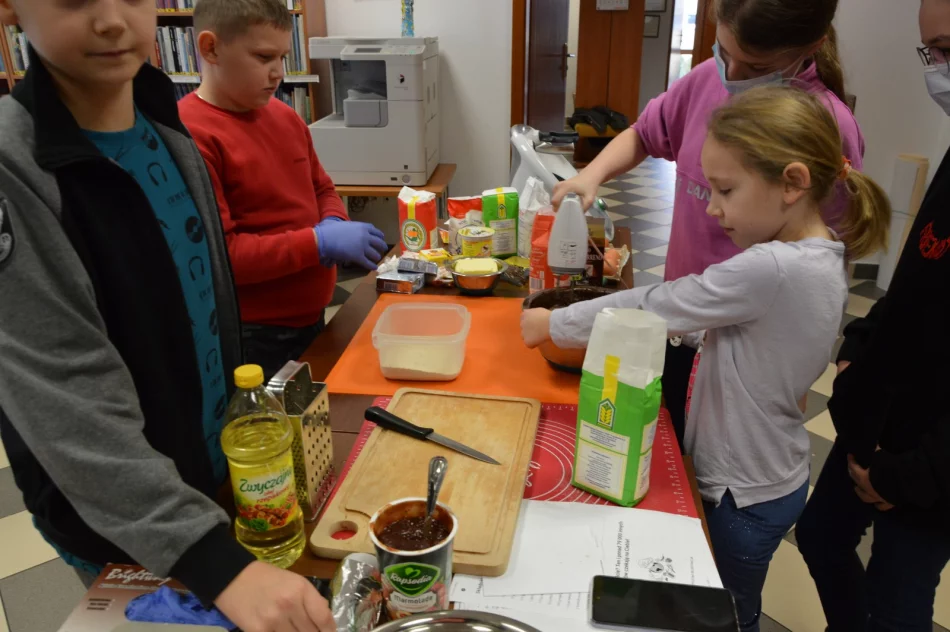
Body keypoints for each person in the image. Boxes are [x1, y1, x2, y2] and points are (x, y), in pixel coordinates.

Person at [0, 1, 334, 630]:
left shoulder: (165, 125)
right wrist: (215, 562)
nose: (111, 21)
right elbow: (68, 402)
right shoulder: (14, 168)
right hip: (122, 519)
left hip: (209, 480)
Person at [523, 86, 891, 632]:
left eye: (724, 189)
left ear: (792, 183)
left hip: (743, 494)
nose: (712, 208)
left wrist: (555, 323)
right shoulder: (822, 253)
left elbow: (660, 302)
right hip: (772, 476)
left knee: (725, 614)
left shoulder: (770, 267)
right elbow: (748, 337)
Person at [552, 0, 863, 451]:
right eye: (723, 50)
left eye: (754, 65)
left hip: (745, 361)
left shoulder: (827, 126)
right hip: (679, 326)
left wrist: (790, 379)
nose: (732, 74)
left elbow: (821, 276)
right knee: (670, 450)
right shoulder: (705, 80)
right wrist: (590, 175)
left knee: (714, 470)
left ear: (810, 46)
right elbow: (644, 132)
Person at [794, 1, 950, 629]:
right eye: (933, 53)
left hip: (929, 473)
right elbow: (918, 285)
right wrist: (858, 344)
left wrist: (905, 477)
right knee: (823, 538)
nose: (938, 70)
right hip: (879, 421)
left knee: (897, 600)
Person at [178, 0, 386, 381]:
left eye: (282, 57)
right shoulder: (191, 136)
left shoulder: (285, 115)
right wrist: (318, 243)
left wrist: (334, 221)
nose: (277, 73)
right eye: (263, 57)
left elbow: (321, 187)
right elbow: (225, 258)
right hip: (254, 333)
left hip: (311, 315)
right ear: (211, 48)